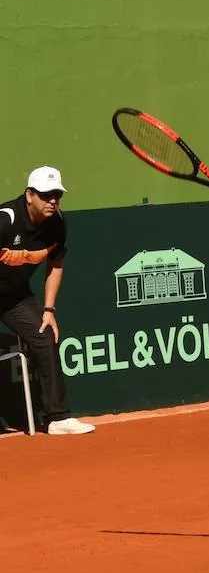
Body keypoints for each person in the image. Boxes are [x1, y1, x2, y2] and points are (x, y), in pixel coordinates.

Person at [0, 167, 95, 435]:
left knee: (45, 335)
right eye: (45, 195)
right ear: (30, 195)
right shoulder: (5, 220)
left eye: (57, 195)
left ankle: (58, 418)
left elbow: (56, 265)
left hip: (13, 297)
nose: (53, 200)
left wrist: (49, 309)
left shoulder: (58, 223)